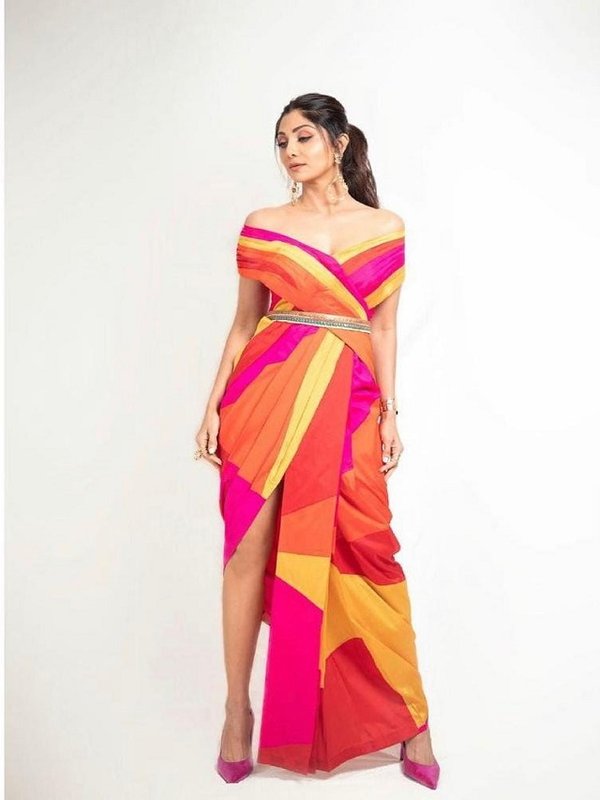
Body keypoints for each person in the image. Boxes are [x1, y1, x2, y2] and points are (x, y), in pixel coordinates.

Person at [194, 92, 440, 788]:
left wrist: (391, 412)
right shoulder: (264, 224)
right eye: (281, 142)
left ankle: (411, 715)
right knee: (246, 551)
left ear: (339, 142)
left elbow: (383, 326)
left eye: (303, 136)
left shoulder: (384, 227)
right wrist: (211, 406)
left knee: (367, 551)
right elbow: (244, 324)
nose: (291, 151)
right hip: (263, 399)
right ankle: (237, 711)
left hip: (348, 403)